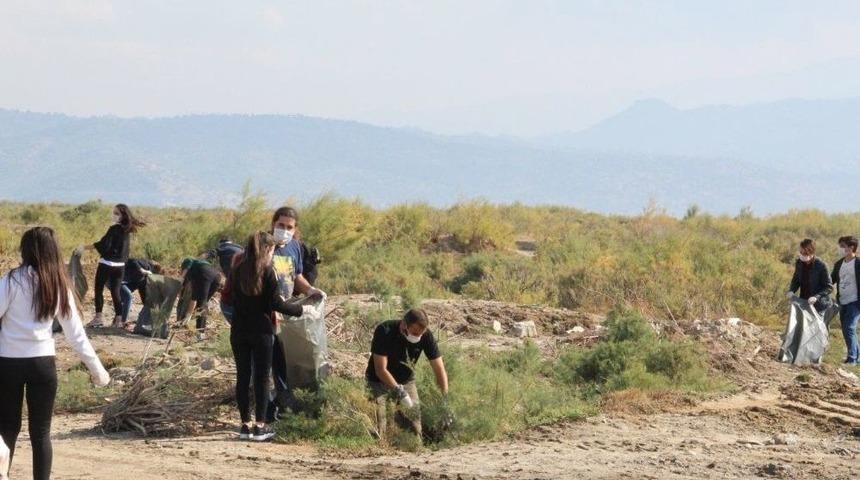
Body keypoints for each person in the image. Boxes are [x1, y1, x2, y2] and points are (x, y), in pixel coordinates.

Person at [0, 227, 110, 480]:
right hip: (42, 364)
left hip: (7, 364)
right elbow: (76, 335)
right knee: (41, 433)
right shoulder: (58, 284)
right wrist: (98, 370)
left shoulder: (10, 281)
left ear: (24, 250)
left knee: (7, 428)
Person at [228, 231, 310, 441]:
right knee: (262, 379)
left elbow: (228, 298)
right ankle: (260, 426)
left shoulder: (237, 270)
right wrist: (302, 310)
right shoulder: (267, 271)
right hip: (262, 331)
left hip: (238, 330)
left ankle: (245, 426)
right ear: (267, 249)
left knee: (243, 376)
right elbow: (276, 304)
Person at [269, 207, 323, 408]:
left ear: (295, 229)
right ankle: (270, 403)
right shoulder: (264, 245)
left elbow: (296, 276)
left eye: (289, 227)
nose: (284, 230)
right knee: (271, 356)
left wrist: (310, 290)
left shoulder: (295, 247)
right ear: (273, 224)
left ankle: (284, 397)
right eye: (280, 225)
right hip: (267, 310)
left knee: (285, 355)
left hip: (287, 309)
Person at [365, 308, 449, 440]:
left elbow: (439, 369)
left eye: (420, 334)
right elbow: (380, 369)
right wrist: (399, 392)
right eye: (414, 333)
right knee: (379, 428)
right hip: (378, 381)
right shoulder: (385, 330)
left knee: (414, 431)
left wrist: (444, 401)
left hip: (406, 380)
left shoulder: (426, 336)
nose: (417, 337)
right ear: (404, 324)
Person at [78, 204, 146, 329]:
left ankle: (98, 318)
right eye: (114, 213)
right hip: (120, 266)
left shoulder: (113, 229)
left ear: (123, 216)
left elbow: (103, 245)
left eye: (116, 213)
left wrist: (84, 247)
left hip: (106, 264)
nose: (114, 215)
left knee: (98, 289)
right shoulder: (127, 231)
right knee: (116, 292)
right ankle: (119, 320)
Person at [831, 236, 860, 366]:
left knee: (849, 327)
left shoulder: (858, 263)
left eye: (842, 246)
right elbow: (830, 281)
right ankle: (856, 357)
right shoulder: (839, 264)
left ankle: (852, 358)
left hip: (856, 302)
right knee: (846, 329)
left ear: (851, 247)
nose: (840, 248)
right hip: (842, 301)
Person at [177, 258, 221, 341]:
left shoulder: (189, 264)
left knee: (201, 303)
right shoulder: (198, 264)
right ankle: (201, 329)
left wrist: (188, 316)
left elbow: (193, 299)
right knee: (204, 302)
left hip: (205, 274)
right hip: (217, 276)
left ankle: (200, 333)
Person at [203, 238, 244, 324]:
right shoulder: (240, 248)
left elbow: (211, 253)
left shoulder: (223, 247)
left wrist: (204, 263)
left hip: (233, 275)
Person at [787, 239, 833, 313]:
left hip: (820, 305)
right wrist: (791, 290)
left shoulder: (821, 266)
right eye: (801, 252)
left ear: (812, 252)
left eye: (805, 253)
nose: (802, 255)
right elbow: (796, 280)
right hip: (805, 303)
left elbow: (829, 287)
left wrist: (816, 297)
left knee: (817, 324)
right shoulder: (799, 263)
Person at [120, 258, 163, 328]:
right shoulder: (146, 265)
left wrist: (150, 307)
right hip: (115, 280)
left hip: (122, 283)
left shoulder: (143, 279)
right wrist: (142, 270)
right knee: (128, 297)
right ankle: (122, 322)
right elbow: (132, 260)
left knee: (125, 298)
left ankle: (117, 321)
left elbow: (143, 295)